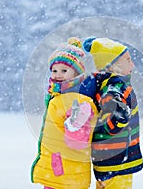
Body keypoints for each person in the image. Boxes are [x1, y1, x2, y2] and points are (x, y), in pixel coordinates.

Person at [31, 37, 98, 189]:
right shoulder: (59, 96)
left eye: (64, 70)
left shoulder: (77, 100)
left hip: (65, 170)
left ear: (76, 73)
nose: (57, 74)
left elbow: (77, 141)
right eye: (54, 70)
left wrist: (75, 124)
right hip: (58, 167)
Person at [80, 37, 143, 189]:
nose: (132, 64)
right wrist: (118, 119)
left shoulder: (107, 84)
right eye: (128, 60)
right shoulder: (114, 86)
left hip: (109, 159)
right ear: (113, 66)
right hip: (117, 160)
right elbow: (115, 114)